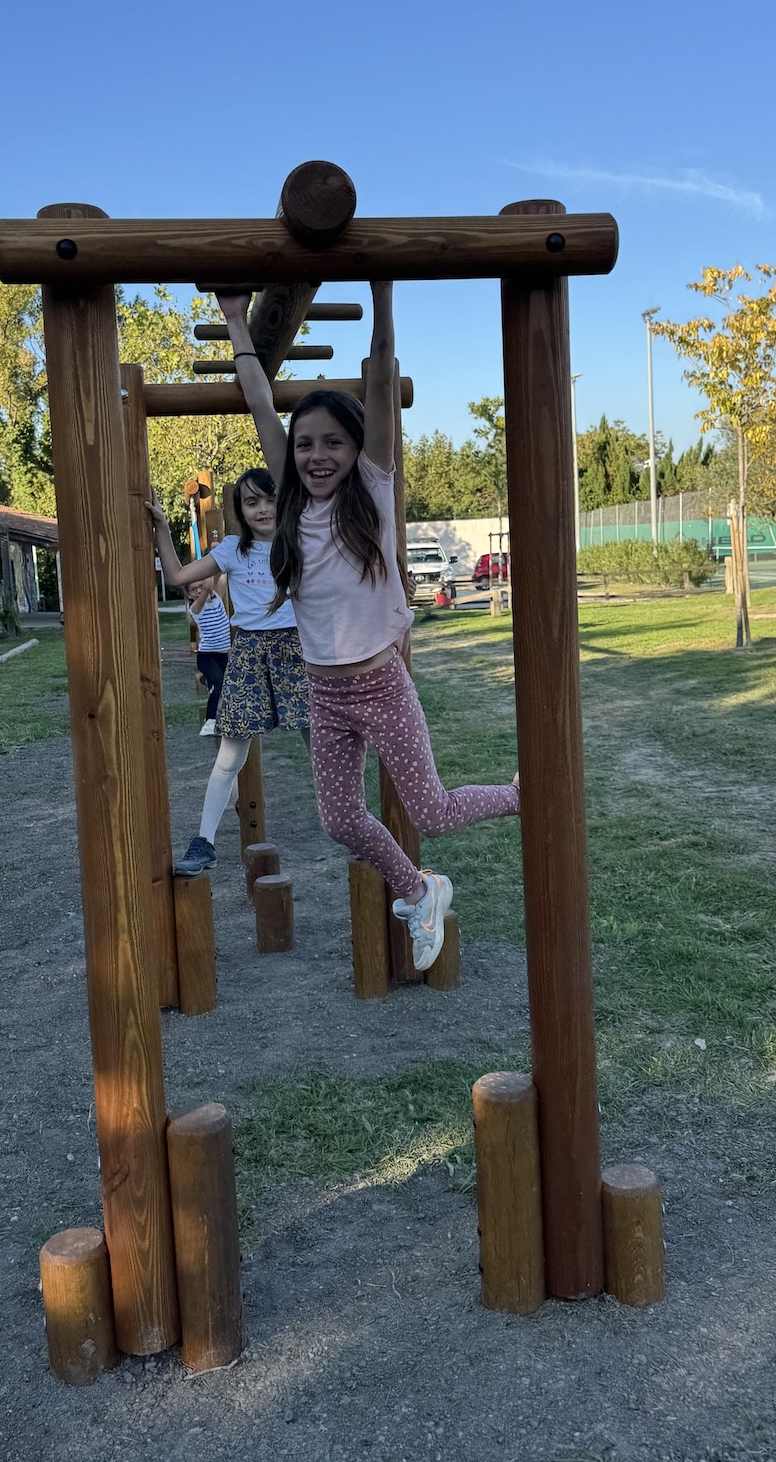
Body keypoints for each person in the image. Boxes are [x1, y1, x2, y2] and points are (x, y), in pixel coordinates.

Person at [221, 282, 519, 971]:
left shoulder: (374, 493)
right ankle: (419, 889)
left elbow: (381, 376)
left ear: (359, 447)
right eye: (305, 445)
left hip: (381, 685)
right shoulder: (291, 506)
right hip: (324, 693)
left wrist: (382, 292)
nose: (316, 455)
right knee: (339, 820)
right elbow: (260, 401)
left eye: (333, 442)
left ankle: (515, 798)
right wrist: (236, 320)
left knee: (432, 812)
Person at [149, 467, 310, 875]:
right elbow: (177, 575)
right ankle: (204, 841)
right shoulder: (233, 550)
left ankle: (358, 826)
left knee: (323, 751)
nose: (263, 509)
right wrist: (162, 528)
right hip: (249, 654)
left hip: (296, 653)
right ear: (241, 511)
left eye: (270, 499)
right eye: (252, 502)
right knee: (229, 756)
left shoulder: (301, 542)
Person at [186, 575, 230, 736]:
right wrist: (207, 569)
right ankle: (210, 722)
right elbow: (207, 588)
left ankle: (207, 680)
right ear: (189, 595)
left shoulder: (217, 597)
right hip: (207, 656)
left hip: (223, 657)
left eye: (199, 586)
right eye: (193, 589)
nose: (198, 591)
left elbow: (224, 576)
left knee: (228, 688)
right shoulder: (196, 608)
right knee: (218, 685)